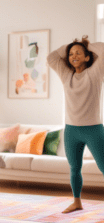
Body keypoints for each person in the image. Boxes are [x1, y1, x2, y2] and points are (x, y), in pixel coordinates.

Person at [47, 35, 104, 213]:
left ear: (88, 57)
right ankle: (77, 201)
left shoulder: (94, 73)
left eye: (78, 53)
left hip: (93, 129)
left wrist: (85, 44)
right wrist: (71, 45)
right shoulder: (66, 75)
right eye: (71, 54)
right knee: (74, 168)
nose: (74, 56)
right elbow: (51, 58)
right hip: (71, 130)